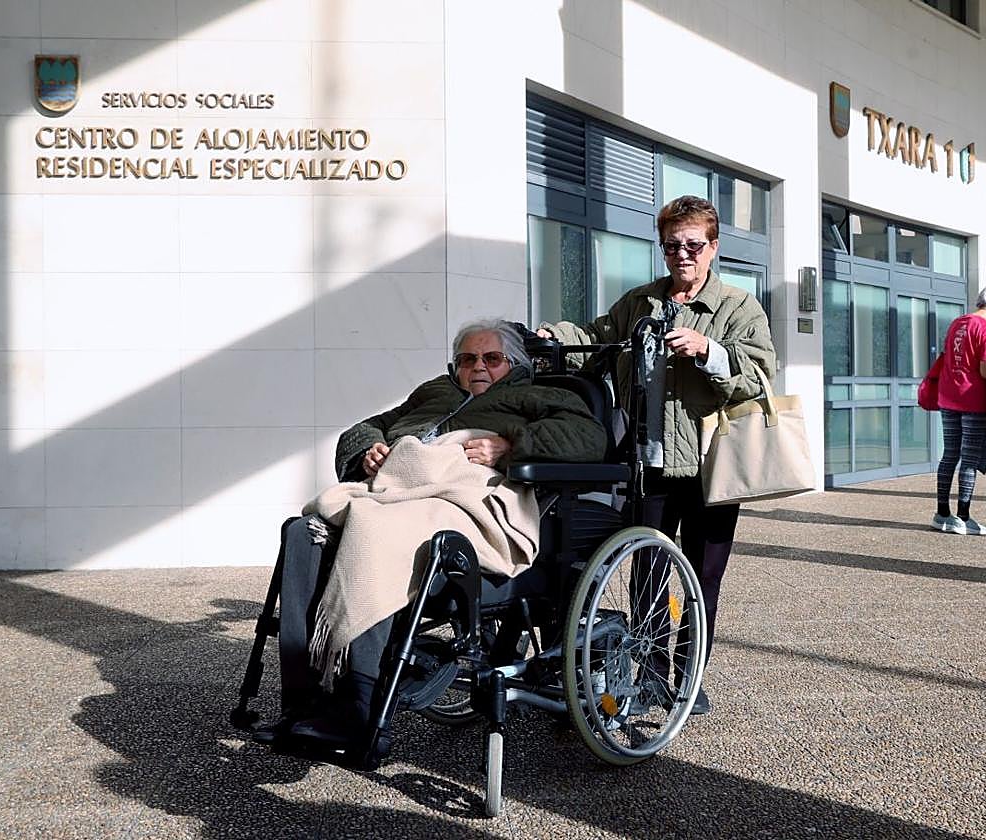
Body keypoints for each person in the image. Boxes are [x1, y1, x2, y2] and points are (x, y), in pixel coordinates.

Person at [259, 318, 607, 753]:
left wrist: (510, 444)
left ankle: (360, 710)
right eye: (467, 359)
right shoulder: (433, 393)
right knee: (302, 533)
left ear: (513, 365)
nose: (478, 367)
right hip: (396, 488)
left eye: (492, 358)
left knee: (376, 529)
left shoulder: (538, 395)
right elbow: (366, 426)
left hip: (466, 495)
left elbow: (588, 438)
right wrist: (370, 450)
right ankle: (302, 700)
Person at [537, 195, 775, 716]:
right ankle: (648, 677)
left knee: (702, 578)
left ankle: (688, 677)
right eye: (672, 246)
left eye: (693, 245)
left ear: (713, 247)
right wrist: (553, 334)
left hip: (713, 467)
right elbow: (599, 338)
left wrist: (710, 352)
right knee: (646, 570)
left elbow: (760, 377)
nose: (682, 255)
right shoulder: (639, 302)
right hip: (648, 465)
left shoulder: (738, 308)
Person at [932, 283, 986, 535]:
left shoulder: (958, 322)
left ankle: (942, 513)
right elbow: (985, 371)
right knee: (968, 459)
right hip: (973, 399)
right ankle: (964, 516)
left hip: (948, 396)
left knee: (949, 455)